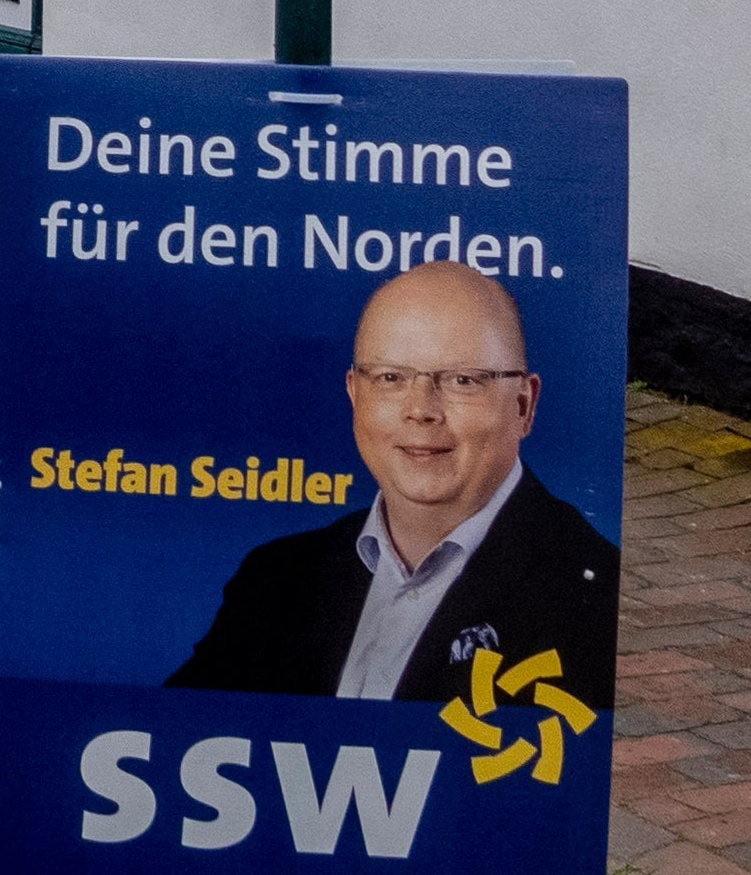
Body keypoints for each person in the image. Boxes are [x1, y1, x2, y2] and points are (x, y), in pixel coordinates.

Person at [166, 260, 620, 707]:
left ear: (524, 405)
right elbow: (174, 744)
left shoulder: (589, 600)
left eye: (463, 380)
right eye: (390, 378)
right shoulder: (275, 580)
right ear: (354, 394)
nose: (420, 409)